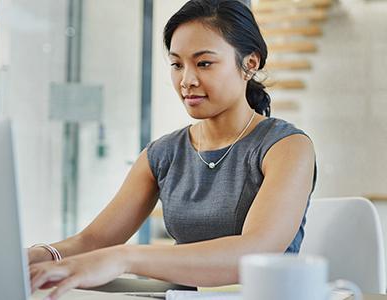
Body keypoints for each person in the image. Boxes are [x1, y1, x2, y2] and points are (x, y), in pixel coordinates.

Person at [29, 0, 317, 299]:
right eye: (177, 64)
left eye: (204, 63)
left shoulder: (287, 146)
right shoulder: (163, 153)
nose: (187, 81)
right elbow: (94, 240)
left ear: (250, 64)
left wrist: (125, 257)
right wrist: (36, 256)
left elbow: (255, 251)